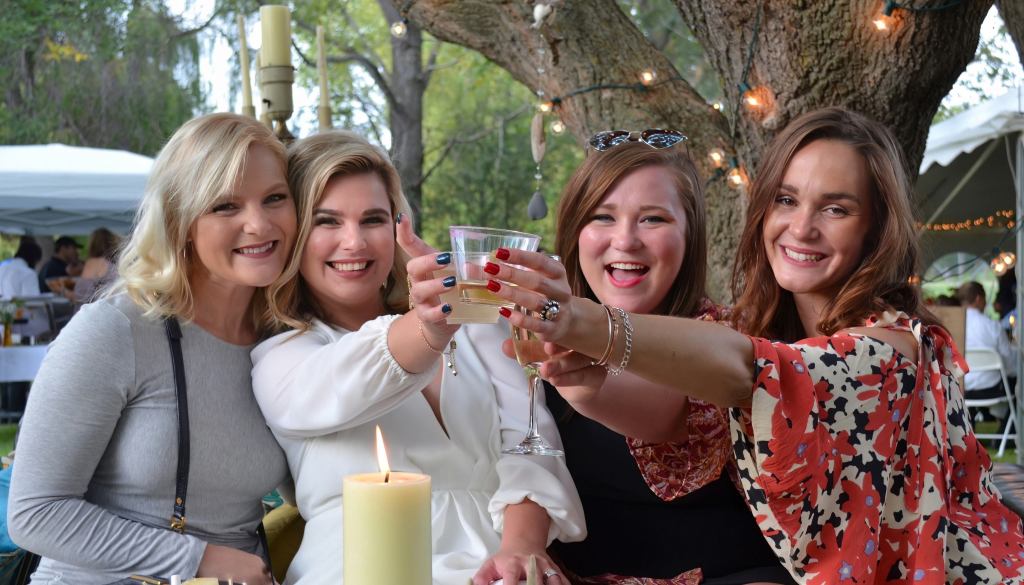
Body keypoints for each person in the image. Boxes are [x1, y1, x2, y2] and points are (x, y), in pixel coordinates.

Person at [486, 107, 1024, 583]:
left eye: (836, 208)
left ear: (876, 229)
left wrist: (576, 322)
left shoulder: (892, 346)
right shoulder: (757, 322)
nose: (802, 227)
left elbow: (753, 373)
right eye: (786, 200)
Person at [250, 131, 584, 585]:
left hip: (498, 567)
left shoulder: (479, 326)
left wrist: (519, 550)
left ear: (397, 227)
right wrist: (432, 326)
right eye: (326, 222)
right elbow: (344, 382)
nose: (354, 242)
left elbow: (529, 443)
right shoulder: (283, 358)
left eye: (372, 219)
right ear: (293, 236)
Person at [8, 112, 296, 584]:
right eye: (225, 206)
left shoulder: (281, 342)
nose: (258, 223)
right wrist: (199, 558)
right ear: (181, 220)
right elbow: (35, 511)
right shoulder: (116, 329)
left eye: (275, 198)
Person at [509, 134, 789, 583]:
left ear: (689, 235)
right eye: (602, 217)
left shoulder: (726, 338)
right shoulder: (530, 339)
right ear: (574, 232)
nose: (625, 240)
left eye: (653, 219)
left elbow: (671, 415)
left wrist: (587, 370)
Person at [959, 281, 1017, 409]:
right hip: (990, 388)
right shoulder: (993, 326)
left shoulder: (953, 326)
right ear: (979, 299)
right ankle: (1005, 427)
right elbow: (1010, 366)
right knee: (1018, 387)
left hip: (960, 388)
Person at [73, 227, 121, 303]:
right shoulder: (116, 264)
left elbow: (81, 296)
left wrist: (63, 291)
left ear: (92, 244)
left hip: (93, 311)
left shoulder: (94, 263)